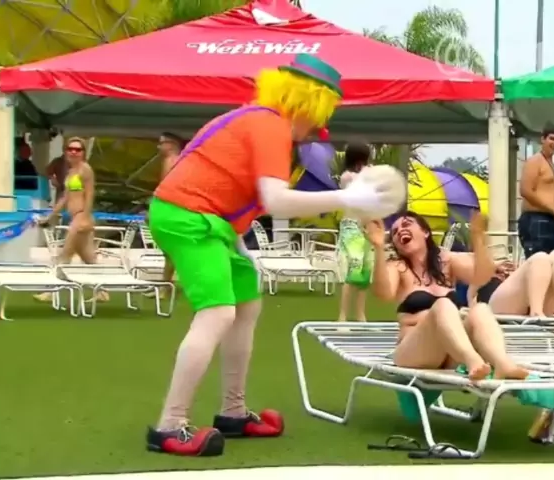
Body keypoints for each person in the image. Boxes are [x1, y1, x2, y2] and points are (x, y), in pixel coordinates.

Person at [145, 54, 400, 457]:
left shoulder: (258, 120)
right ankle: (169, 425)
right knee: (218, 313)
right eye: (319, 117)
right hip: (189, 218)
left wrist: (239, 245)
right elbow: (276, 200)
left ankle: (232, 412)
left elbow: (231, 187)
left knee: (247, 304)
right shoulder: (270, 125)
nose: (317, 130)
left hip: (211, 222)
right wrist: (348, 197)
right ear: (308, 103)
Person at [367, 211, 530, 381]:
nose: (400, 230)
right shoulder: (397, 267)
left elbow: (481, 276)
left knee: (480, 309)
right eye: (394, 232)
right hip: (414, 351)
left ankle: (503, 364)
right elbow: (384, 294)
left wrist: (478, 238)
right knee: (443, 305)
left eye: (407, 224)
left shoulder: (445, 260)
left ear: (425, 232)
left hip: (451, 351)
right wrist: (379, 247)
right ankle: (473, 361)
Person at [36, 137, 107, 302]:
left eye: (78, 149)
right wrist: (50, 216)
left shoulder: (85, 170)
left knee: (64, 255)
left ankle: (52, 291)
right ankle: (102, 292)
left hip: (81, 217)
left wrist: (85, 218)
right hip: (76, 217)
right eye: (70, 149)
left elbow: (90, 194)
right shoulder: (72, 171)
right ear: (65, 151)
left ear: (83, 153)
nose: (74, 152)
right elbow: (65, 198)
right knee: (88, 258)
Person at [145, 132, 185, 300]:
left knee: (171, 251)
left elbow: (168, 189)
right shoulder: (174, 161)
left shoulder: (173, 161)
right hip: (172, 209)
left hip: (172, 210)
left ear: (171, 145)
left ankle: (166, 287)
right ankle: (165, 286)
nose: (158, 146)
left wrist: (155, 208)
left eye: (162, 143)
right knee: (169, 252)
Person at [337, 143, 373, 324]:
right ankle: (342, 317)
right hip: (350, 227)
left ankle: (360, 315)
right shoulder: (347, 177)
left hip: (364, 227)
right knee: (353, 272)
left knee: (365, 273)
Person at [518, 126, 554, 259]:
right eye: (552, 138)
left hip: (550, 219)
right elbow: (525, 190)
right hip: (535, 218)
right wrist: (553, 209)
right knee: (538, 261)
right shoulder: (535, 161)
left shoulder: (550, 163)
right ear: (543, 139)